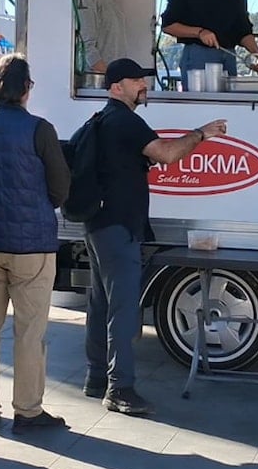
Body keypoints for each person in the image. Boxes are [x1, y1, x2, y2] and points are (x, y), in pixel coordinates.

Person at [84, 59, 227, 415]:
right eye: (136, 80)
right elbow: (166, 153)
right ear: (117, 87)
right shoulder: (125, 120)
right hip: (120, 226)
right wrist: (201, 134)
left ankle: (96, 378)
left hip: (98, 224)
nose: (143, 85)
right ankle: (120, 389)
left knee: (100, 304)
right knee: (122, 310)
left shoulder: (101, 121)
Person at [0, 54, 71, 432]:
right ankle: (27, 410)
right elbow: (60, 187)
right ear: (25, 88)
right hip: (32, 245)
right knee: (29, 332)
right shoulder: (39, 129)